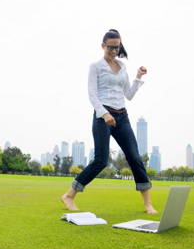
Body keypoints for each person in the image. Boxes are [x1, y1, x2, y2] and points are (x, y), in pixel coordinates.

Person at [61, 29, 158, 214]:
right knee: (101, 160)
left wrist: (138, 77)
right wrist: (104, 114)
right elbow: (92, 94)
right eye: (110, 47)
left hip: (122, 116)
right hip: (102, 116)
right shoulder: (95, 66)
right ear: (103, 46)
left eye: (117, 47)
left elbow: (128, 95)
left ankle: (147, 204)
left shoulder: (122, 66)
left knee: (135, 158)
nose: (114, 51)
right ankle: (69, 195)